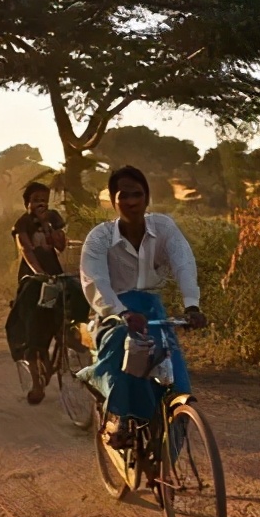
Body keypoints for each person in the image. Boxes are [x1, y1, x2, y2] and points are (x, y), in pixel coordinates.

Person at [79, 165, 207, 448]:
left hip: (153, 313)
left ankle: (164, 458)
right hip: (112, 314)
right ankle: (121, 415)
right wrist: (122, 313)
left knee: (176, 381)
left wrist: (192, 306)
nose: (132, 202)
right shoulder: (99, 238)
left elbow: (184, 263)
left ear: (147, 198)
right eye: (124, 196)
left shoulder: (164, 228)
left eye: (137, 195)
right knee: (124, 353)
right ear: (113, 200)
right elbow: (95, 282)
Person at [4, 181, 75, 404]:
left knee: (63, 317)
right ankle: (36, 384)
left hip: (55, 274)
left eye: (43, 199)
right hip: (33, 280)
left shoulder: (53, 219)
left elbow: (61, 246)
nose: (40, 203)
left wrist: (48, 227)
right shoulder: (22, 223)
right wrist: (40, 273)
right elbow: (26, 249)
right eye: (35, 200)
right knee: (34, 329)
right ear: (28, 203)